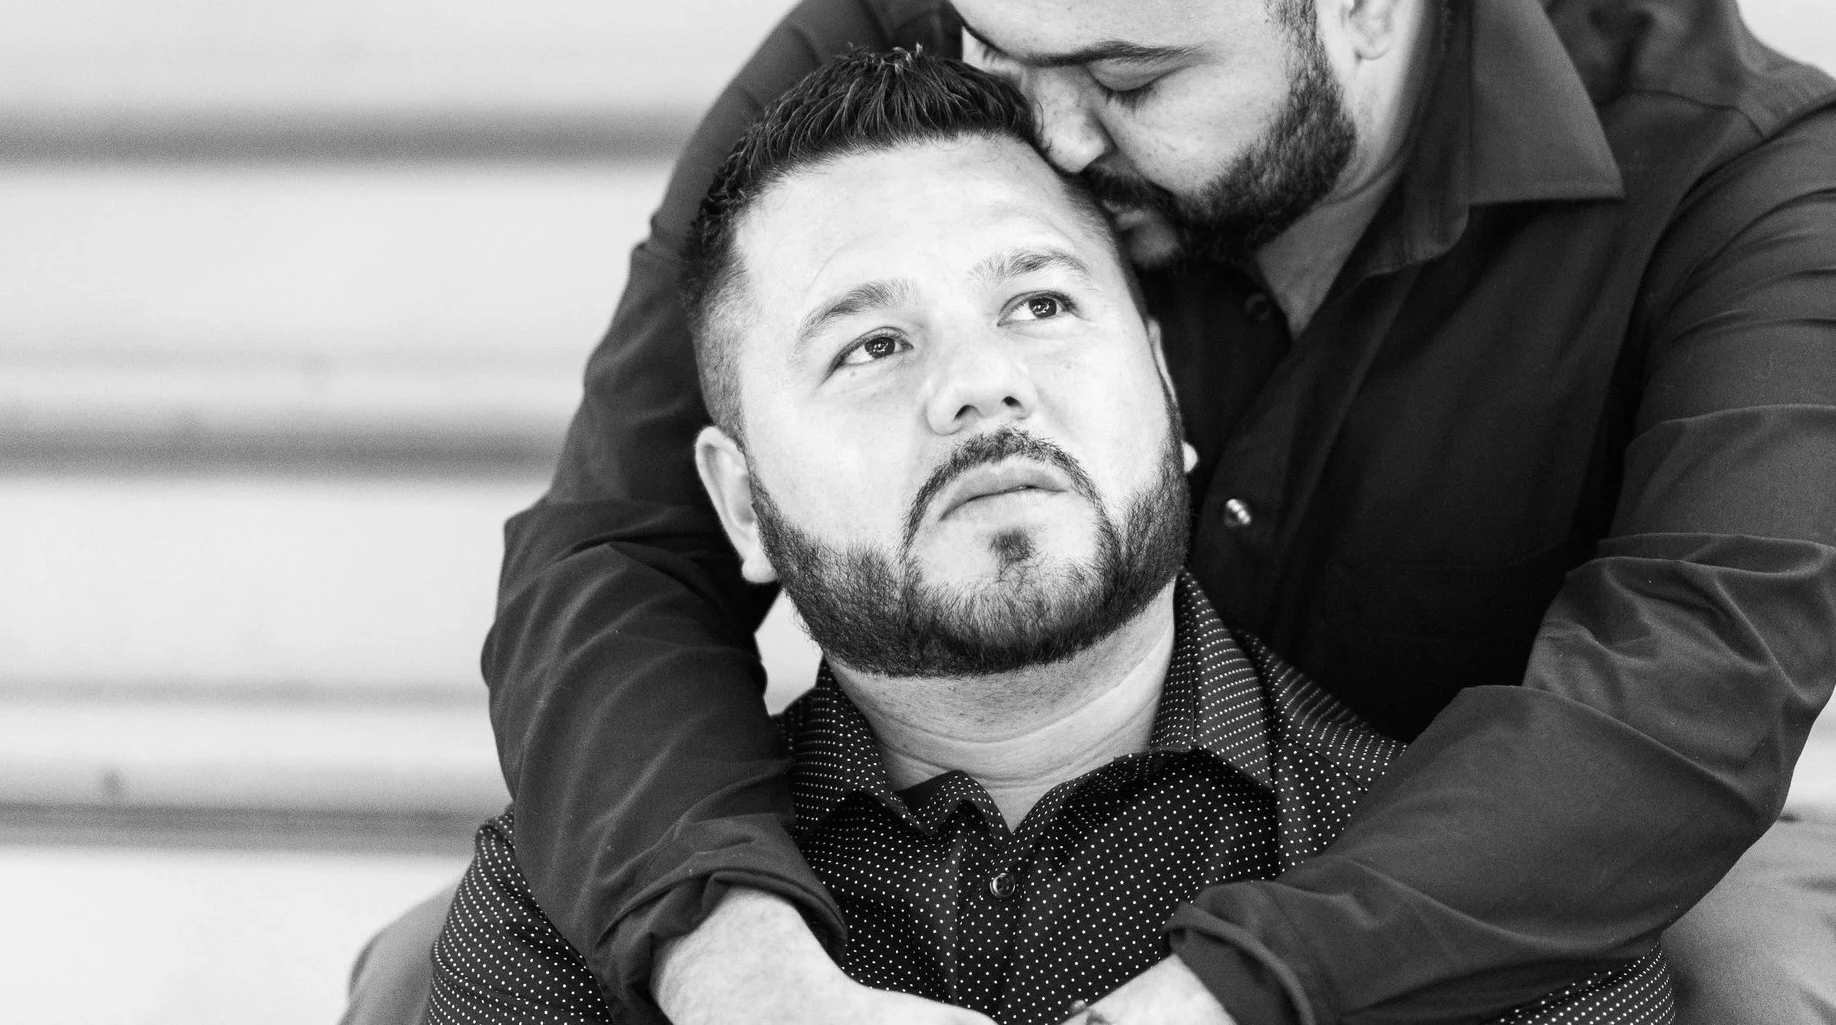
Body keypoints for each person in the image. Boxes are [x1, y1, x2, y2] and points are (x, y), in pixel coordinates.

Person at [348, 0, 1836, 1025]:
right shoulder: (891, 45)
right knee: (455, 964)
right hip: (974, 775)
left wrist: (1215, 998)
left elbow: (1692, 691)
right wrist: (741, 969)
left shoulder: (1741, 169)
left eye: (1128, 77)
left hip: (1498, 838)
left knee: (1744, 978)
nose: (1048, 135)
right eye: (993, 49)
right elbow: (616, 546)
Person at [425, 50, 1676, 1025]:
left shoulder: (1486, 925)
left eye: (1037, 301)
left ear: (1169, 396)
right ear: (743, 505)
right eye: (871, 344)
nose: (981, 383)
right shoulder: (564, 932)